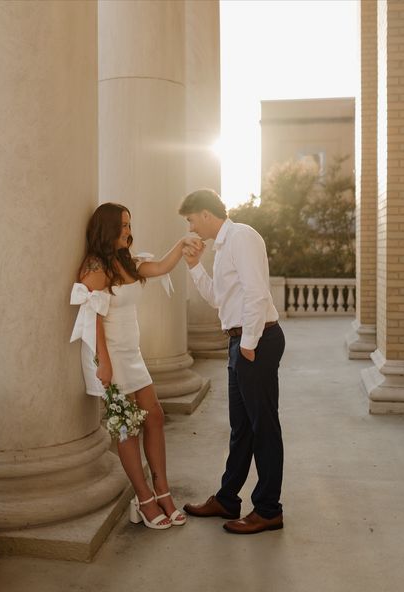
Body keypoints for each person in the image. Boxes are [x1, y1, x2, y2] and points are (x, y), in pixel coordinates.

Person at [70, 202, 201, 530]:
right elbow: (93, 317)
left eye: (129, 225)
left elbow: (161, 267)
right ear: (107, 228)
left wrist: (183, 242)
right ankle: (143, 499)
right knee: (126, 427)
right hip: (109, 356)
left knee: (154, 415)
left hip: (132, 353)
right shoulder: (96, 266)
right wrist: (103, 363)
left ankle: (163, 490)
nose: (128, 231)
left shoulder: (126, 262)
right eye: (123, 226)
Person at [178, 188, 286, 535]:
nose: (192, 228)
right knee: (241, 428)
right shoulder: (223, 247)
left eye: (192, 220)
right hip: (240, 340)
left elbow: (257, 292)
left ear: (206, 214)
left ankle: (269, 509)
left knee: (263, 428)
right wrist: (195, 268)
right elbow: (219, 300)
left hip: (257, 341)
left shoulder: (242, 237)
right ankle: (227, 498)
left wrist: (250, 345)